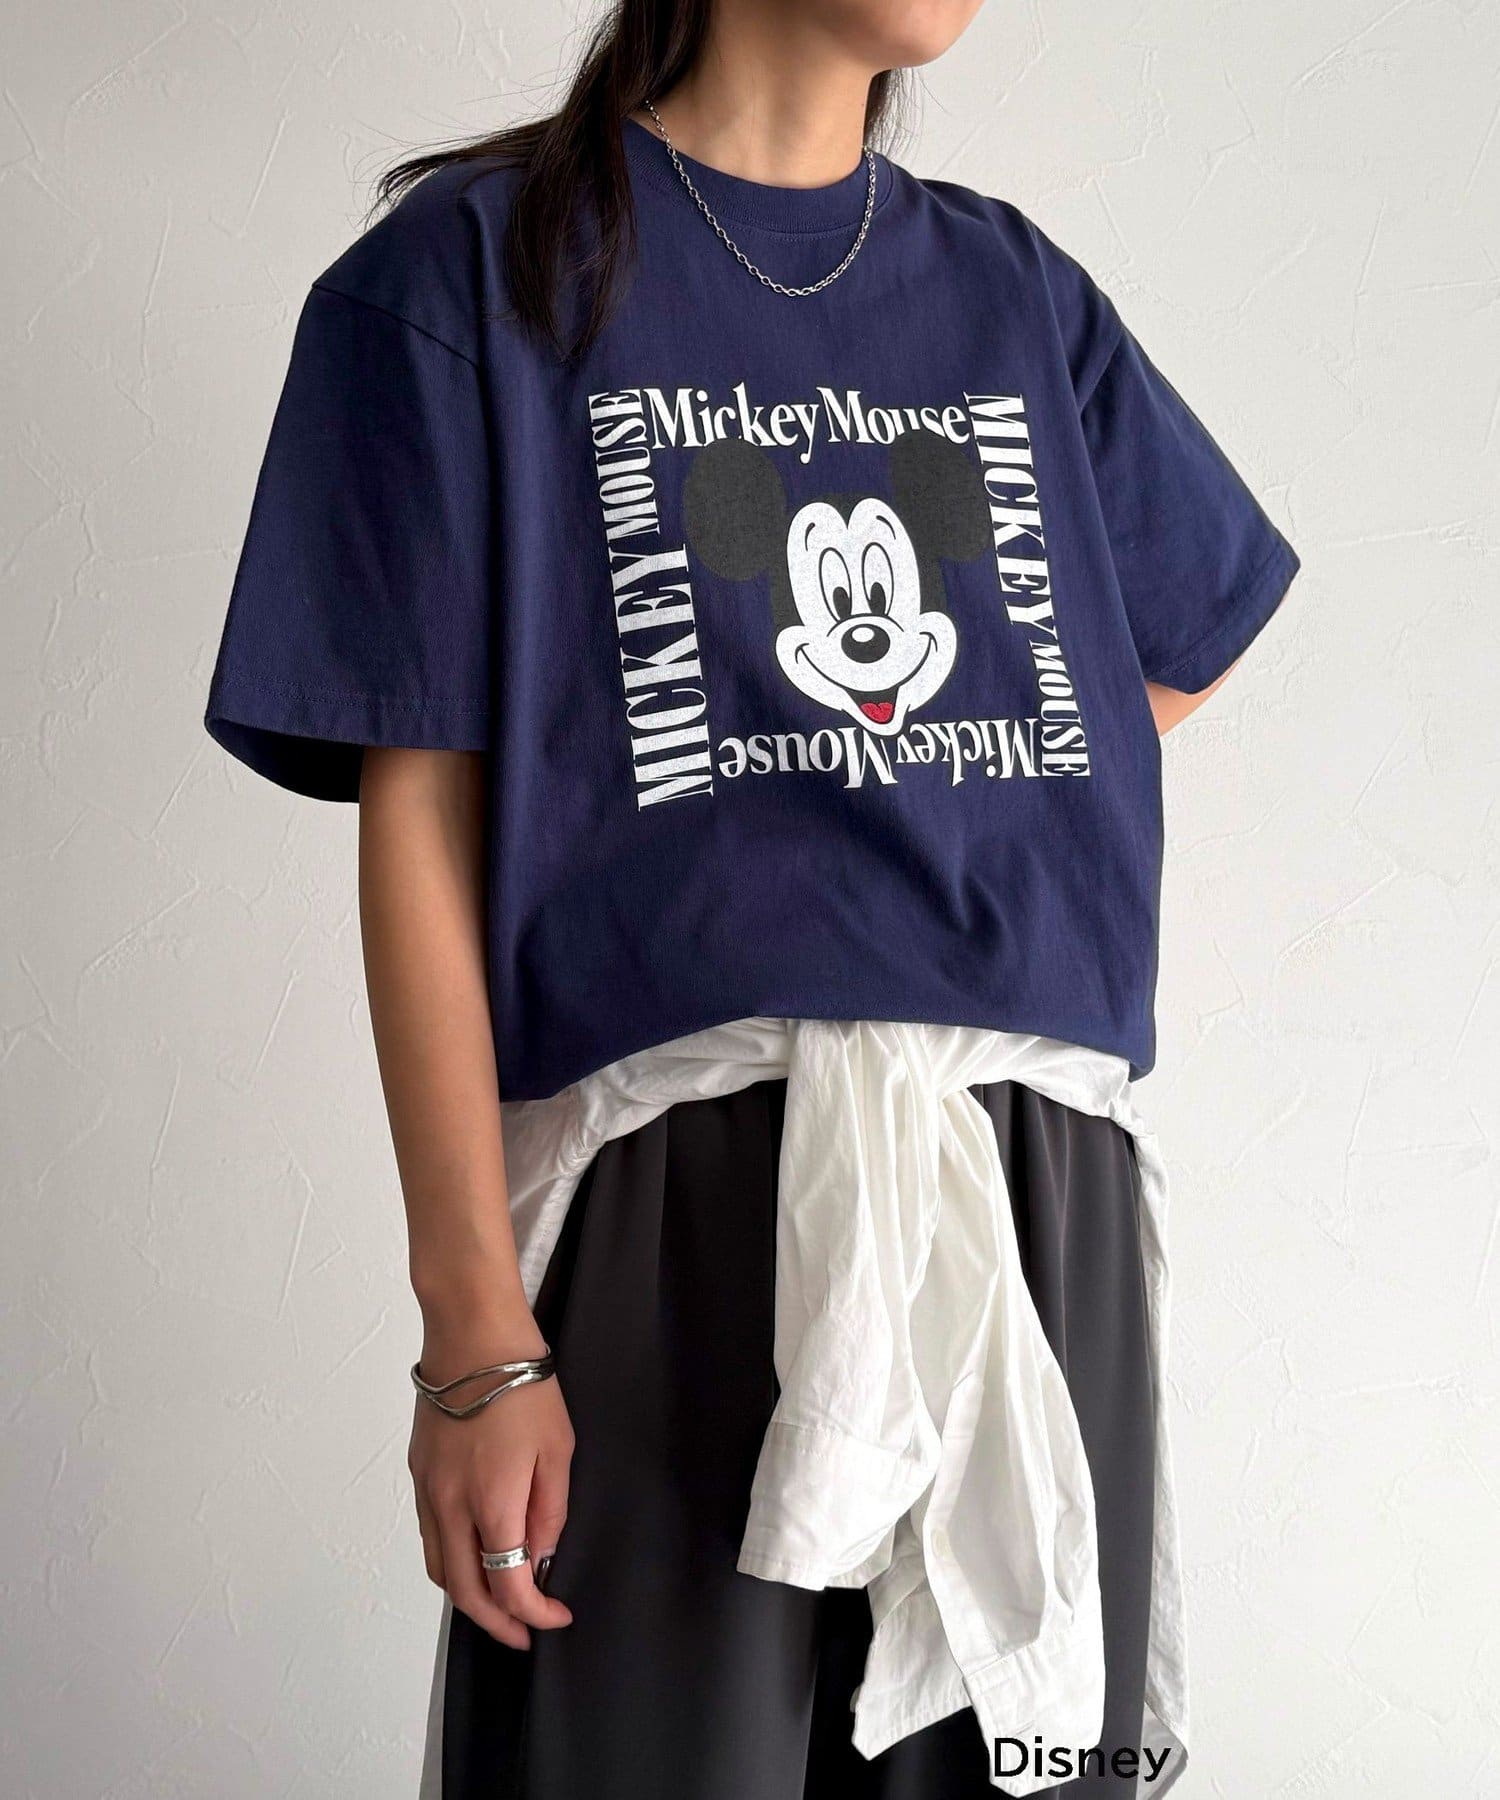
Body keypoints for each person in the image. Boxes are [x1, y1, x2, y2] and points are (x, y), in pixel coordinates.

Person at [202, 2, 1300, 1794]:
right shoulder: (468, 279)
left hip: (1029, 1190)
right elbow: (423, 816)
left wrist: (948, 802)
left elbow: (1171, 642)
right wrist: (474, 1334)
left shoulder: (1017, 296)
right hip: (675, 1203)